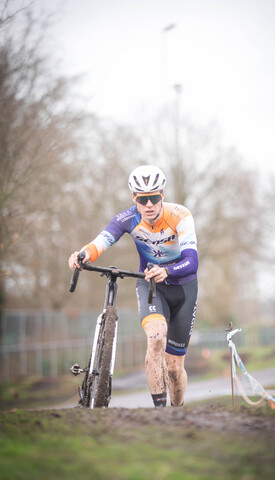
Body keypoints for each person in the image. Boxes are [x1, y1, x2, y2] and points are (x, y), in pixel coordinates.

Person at [68, 165, 198, 407]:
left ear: (162, 195)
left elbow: (192, 261)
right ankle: (159, 411)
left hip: (183, 288)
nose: (149, 205)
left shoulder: (180, 216)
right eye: (142, 199)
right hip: (150, 286)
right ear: (133, 198)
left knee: (173, 367)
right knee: (156, 337)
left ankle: (178, 413)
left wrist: (167, 270)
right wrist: (83, 254)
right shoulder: (128, 219)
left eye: (154, 198)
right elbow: (102, 240)